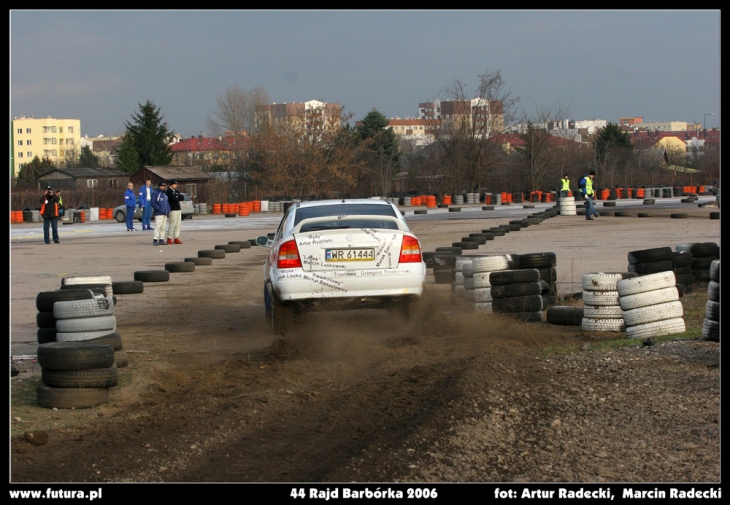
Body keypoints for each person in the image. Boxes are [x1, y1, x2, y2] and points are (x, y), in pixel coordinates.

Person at [150, 181, 170, 246]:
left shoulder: (165, 194)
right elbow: (153, 203)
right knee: (158, 226)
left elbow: (167, 203)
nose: (163, 187)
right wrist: (159, 208)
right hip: (159, 213)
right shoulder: (155, 193)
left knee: (163, 227)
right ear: (159, 186)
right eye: (162, 186)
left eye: (164, 186)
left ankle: (161, 239)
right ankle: (155, 239)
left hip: (165, 213)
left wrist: (168, 209)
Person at [165, 179, 183, 244]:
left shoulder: (176, 191)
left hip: (178, 209)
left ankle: (176, 237)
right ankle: (169, 238)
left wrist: (177, 196)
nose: (176, 185)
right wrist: (177, 197)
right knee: (172, 224)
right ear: (171, 185)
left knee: (178, 224)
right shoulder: (168, 191)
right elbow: (173, 199)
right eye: (175, 184)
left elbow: (182, 197)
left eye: (176, 184)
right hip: (172, 209)